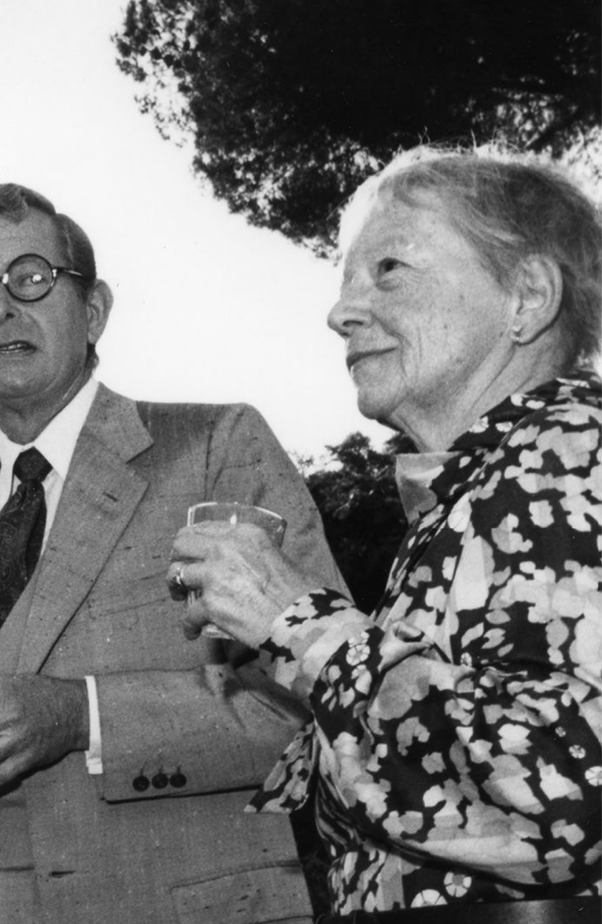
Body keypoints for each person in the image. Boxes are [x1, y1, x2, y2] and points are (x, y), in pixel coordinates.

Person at [0, 183, 343, 924]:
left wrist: (83, 714)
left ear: (94, 310)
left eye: (30, 278)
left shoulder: (216, 449)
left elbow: (317, 700)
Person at [170, 147, 602, 922]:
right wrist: (281, 658)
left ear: (528, 298)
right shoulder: (483, 485)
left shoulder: (570, 454)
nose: (341, 312)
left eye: (389, 269)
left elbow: (566, 791)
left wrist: (295, 620)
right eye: (346, 280)